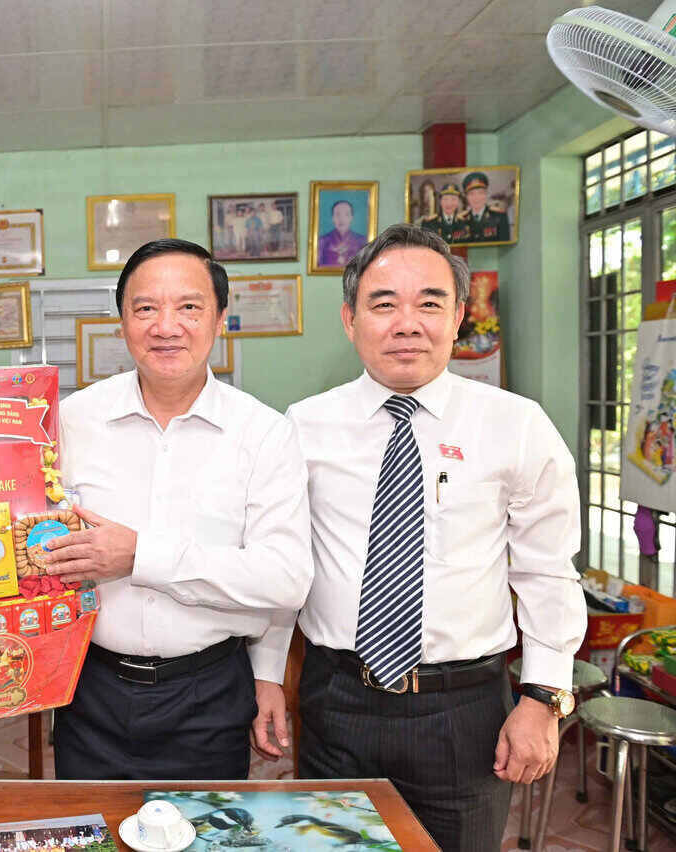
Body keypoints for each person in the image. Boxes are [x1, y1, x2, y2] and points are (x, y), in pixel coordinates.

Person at [254, 225, 585, 851]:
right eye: (383, 304)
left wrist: (543, 695)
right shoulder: (305, 426)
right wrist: (269, 672)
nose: (407, 324)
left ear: (458, 317)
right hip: (337, 702)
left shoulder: (516, 425)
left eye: (429, 303)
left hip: (464, 713)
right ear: (350, 319)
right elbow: (285, 564)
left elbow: (546, 569)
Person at [42, 238, 313, 780]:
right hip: (89, 687)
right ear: (122, 321)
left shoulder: (264, 433)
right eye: (145, 308)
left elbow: (285, 579)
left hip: (208, 693)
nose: (166, 327)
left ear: (220, 319)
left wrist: (140, 556)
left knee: (203, 823)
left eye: (189, 306)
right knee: (90, 821)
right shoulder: (71, 420)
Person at [462, 171, 511, 243]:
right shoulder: (460, 219)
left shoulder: (500, 216)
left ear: (486, 194)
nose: (476, 198)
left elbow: (505, 245)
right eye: (471, 194)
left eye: (480, 193)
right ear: (466, 197)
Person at [316, 200, 367, 267]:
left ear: (351, 217)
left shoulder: (362, 241)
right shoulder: (322, 242)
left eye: (346, 214)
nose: (342, 219)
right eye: (337, 214)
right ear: (332, 218)